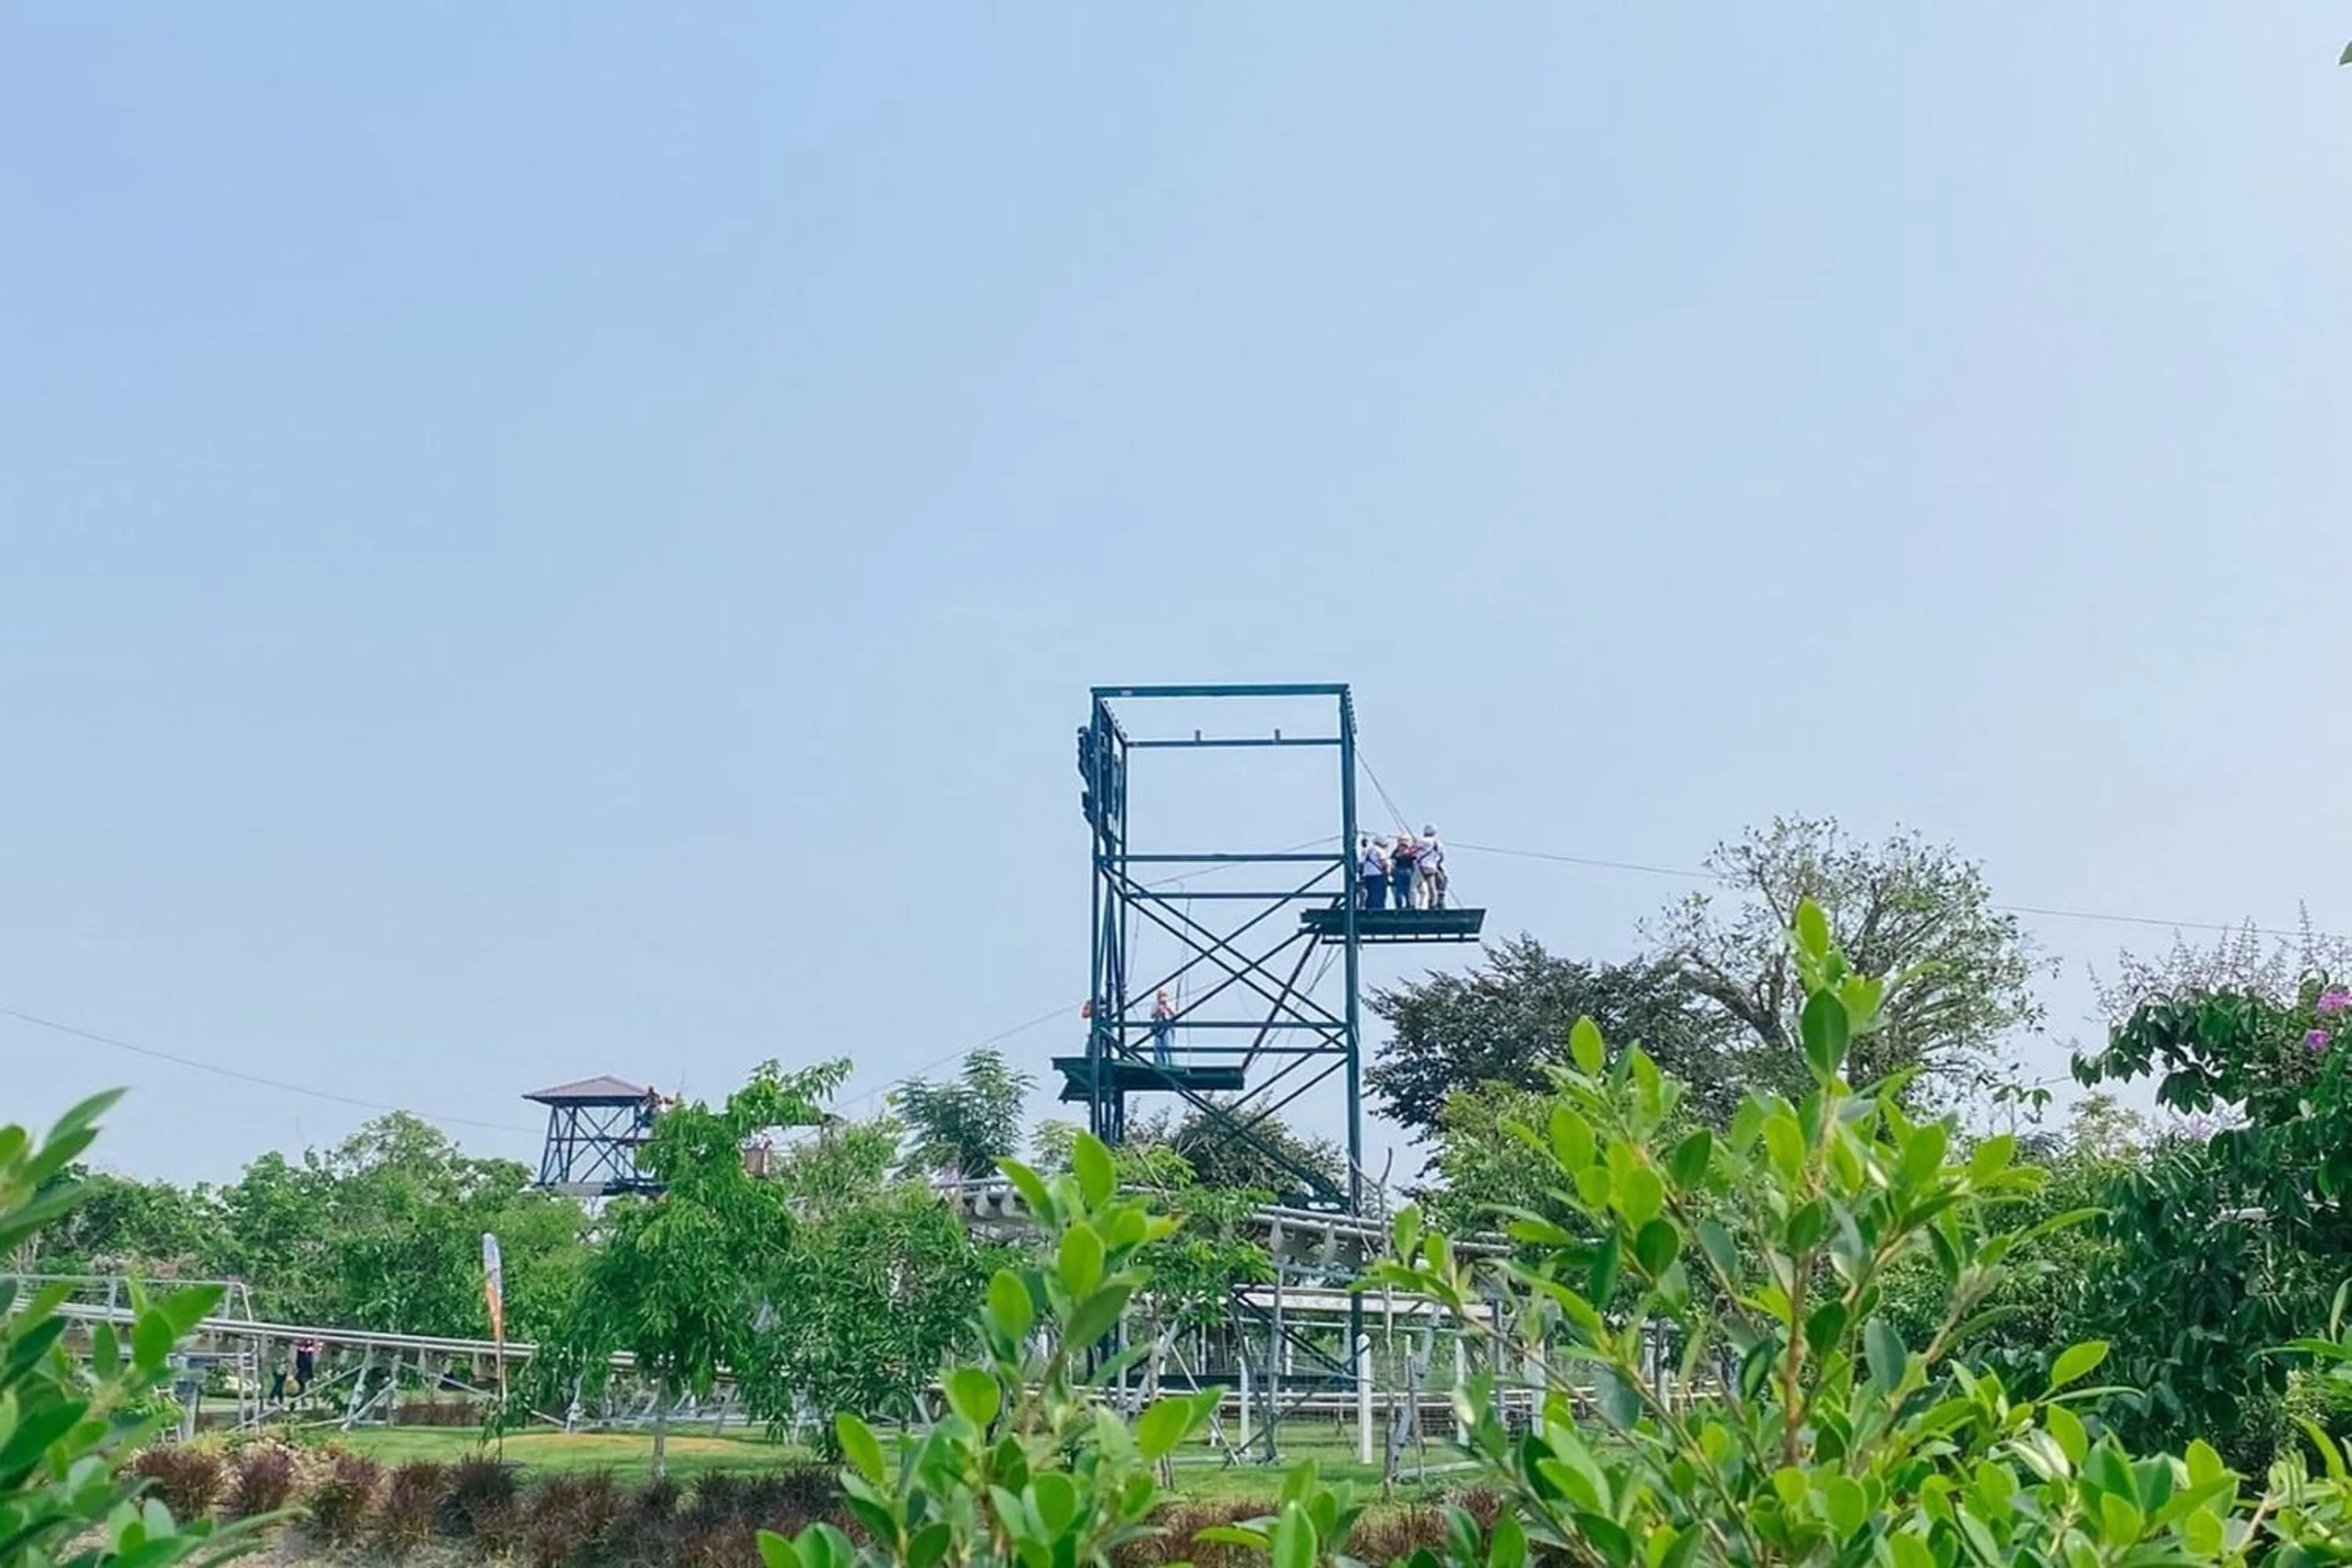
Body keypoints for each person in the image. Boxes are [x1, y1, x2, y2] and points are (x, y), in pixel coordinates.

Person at [1416, 825, 1446, 909]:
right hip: (1432, 867)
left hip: (1421, 867)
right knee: (1432, 887)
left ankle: (1417, 904)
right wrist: (1436, 863)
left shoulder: (1422, 841)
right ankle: (1434, 904)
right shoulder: (1438, 843)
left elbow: (1414, 849)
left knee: (1414, 886)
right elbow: (1442, 857)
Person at [1357, 834, 1389, 909]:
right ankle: (1378, 909)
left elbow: (1361, 863)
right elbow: (1384, 863)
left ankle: (1369, 909)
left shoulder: (1367, 850)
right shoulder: (1380, 850)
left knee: (1370, 894)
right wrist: (1387, 871)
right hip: (1378, 874)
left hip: (1367, 875)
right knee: (1379, 894)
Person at [1389, 833, 1418, 912]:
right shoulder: (1411, 851)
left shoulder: (1396, 851)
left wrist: (1392, 873)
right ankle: (1409, 905)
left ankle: (1399, 906)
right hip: (1409, 871)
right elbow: (1416, 860)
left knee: (1399, 890)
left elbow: (1393, 863)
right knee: (1408, 889)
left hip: (1399, 871)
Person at [1151, 988, 1176, 1066]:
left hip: (1167, 1027)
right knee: (1158, 1048)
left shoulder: (1170, 1004)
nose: (1162, 998)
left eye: (1164, 995)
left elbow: (1174, 1014)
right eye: (1160, 996)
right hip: (1158, 1028)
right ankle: (1159, 1064)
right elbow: (1152, 1016)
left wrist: (1167, 1008)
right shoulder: (1155, 1005)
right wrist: (1158, 1011)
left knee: (1168, 1047)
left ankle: (1171, 1064)